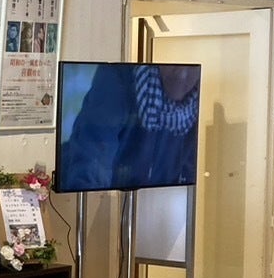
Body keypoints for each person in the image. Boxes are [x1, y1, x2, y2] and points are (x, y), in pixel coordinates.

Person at [60, 64, 200, 191]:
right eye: (175, 66)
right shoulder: (117, 77)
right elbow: (93, 158)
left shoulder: (201, 106)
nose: (182, 74)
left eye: (191, 68)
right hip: (73, 191)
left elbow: (191, 179)